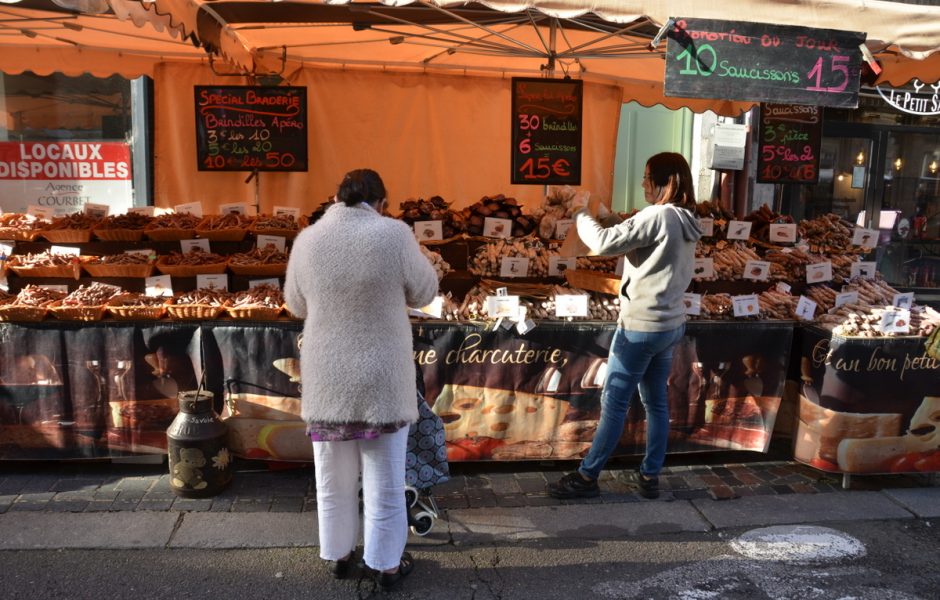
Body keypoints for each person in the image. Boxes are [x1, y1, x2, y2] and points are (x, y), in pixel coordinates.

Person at [284, 168, 438, 590]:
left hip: (327, 376)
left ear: (335, 198)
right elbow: (425, 292)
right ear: (382, 203)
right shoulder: (394, 234)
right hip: (381, 378)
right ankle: (385, 564)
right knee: (384, 481)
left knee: (332, 479)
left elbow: (296, 304)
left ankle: (337, 555)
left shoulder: (309, 239)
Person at [548, 152, 703, 500]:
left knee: (615, 402)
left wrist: (580, 212)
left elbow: (603, 243)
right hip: (669, 325)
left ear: (666, 182)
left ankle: (587, 476)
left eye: (648, 176)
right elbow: (637, 239)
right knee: (656, 403)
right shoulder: (685, 218)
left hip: (641, 326)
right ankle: (650, 474)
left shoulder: (659, 215)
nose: (643, 183)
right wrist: (609, 217)